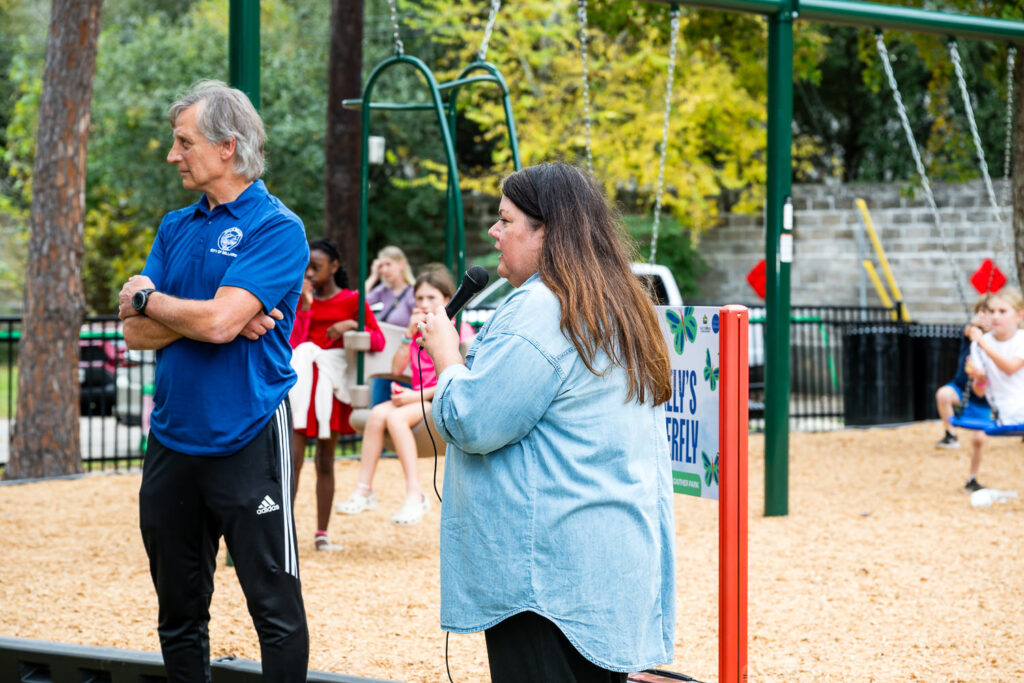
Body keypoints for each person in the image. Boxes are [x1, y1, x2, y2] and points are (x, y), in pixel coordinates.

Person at [418, 163, 676, 681]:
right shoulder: (618, 300)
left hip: (546, 579)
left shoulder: (540, 306)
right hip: (606, 564)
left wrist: (447, 359)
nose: (493, 231)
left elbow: (473, 422)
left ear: (547, 231)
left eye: (505, 220)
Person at [117, 80, 309, 682]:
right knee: (178, 611)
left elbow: (218, 324)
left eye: (184, 142)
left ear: (227, 147)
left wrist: (156, 299)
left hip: (247, 434)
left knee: (273, 608)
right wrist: (207, 314)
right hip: (172, 439)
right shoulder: (176, 225)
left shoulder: (278, 228)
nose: (173, 155)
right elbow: (134, 332)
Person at [336, 268, 473, 526]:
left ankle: (415, 494)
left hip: (439, 396)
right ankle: (364, 489)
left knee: (397, 419)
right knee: (377, 414)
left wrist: (414, 396)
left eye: (430, 298)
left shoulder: (458, 326)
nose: (423, 304)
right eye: (419, 299)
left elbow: (461, 373)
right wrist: (407, 337)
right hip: (416, 396)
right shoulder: (419, 328)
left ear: (446, 299)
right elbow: (398, 370)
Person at [288, 238, 385, 550]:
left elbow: (378, 340)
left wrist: (350, 324)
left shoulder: (353, 301)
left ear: (333, 266)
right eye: (306, 268)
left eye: (316, 267)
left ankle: (321, 533)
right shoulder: (300, 299)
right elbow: (293, 344)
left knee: (325, 460)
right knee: (292, 459)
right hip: (301, 384)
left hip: (330, 387)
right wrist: (304, 307)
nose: (311, 274)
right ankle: (283, 531)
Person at [964, 286, 1024, 491]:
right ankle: (972, 478)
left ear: (1019, 315)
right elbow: (980, 392)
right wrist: (978, 377)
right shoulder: (980, 344)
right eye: (991, 311)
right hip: (1005, 415)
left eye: (1002, 311)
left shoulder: (1021, 340)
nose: (995, 316)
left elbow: (1009, 368)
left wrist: (982, 343)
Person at [934, 296, 991, 455]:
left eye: (989, 313)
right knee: (943, 394)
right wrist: (974, 325)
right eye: (982, 312)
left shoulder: (997, 339)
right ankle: (950, 435)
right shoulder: (970, 332)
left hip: (986, 397)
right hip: (962, 390)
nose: (985, 316)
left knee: (979, 439)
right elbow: (968, 329)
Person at [365, 245, 417, 406]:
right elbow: (357, 304)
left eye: (388, 264)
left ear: (401, 264)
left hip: (407, 362)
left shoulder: (413, 292)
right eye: (381, 266)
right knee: (378, 406)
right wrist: (373, 277)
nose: (385, 270)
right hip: (385, 359)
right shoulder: (383, 291)